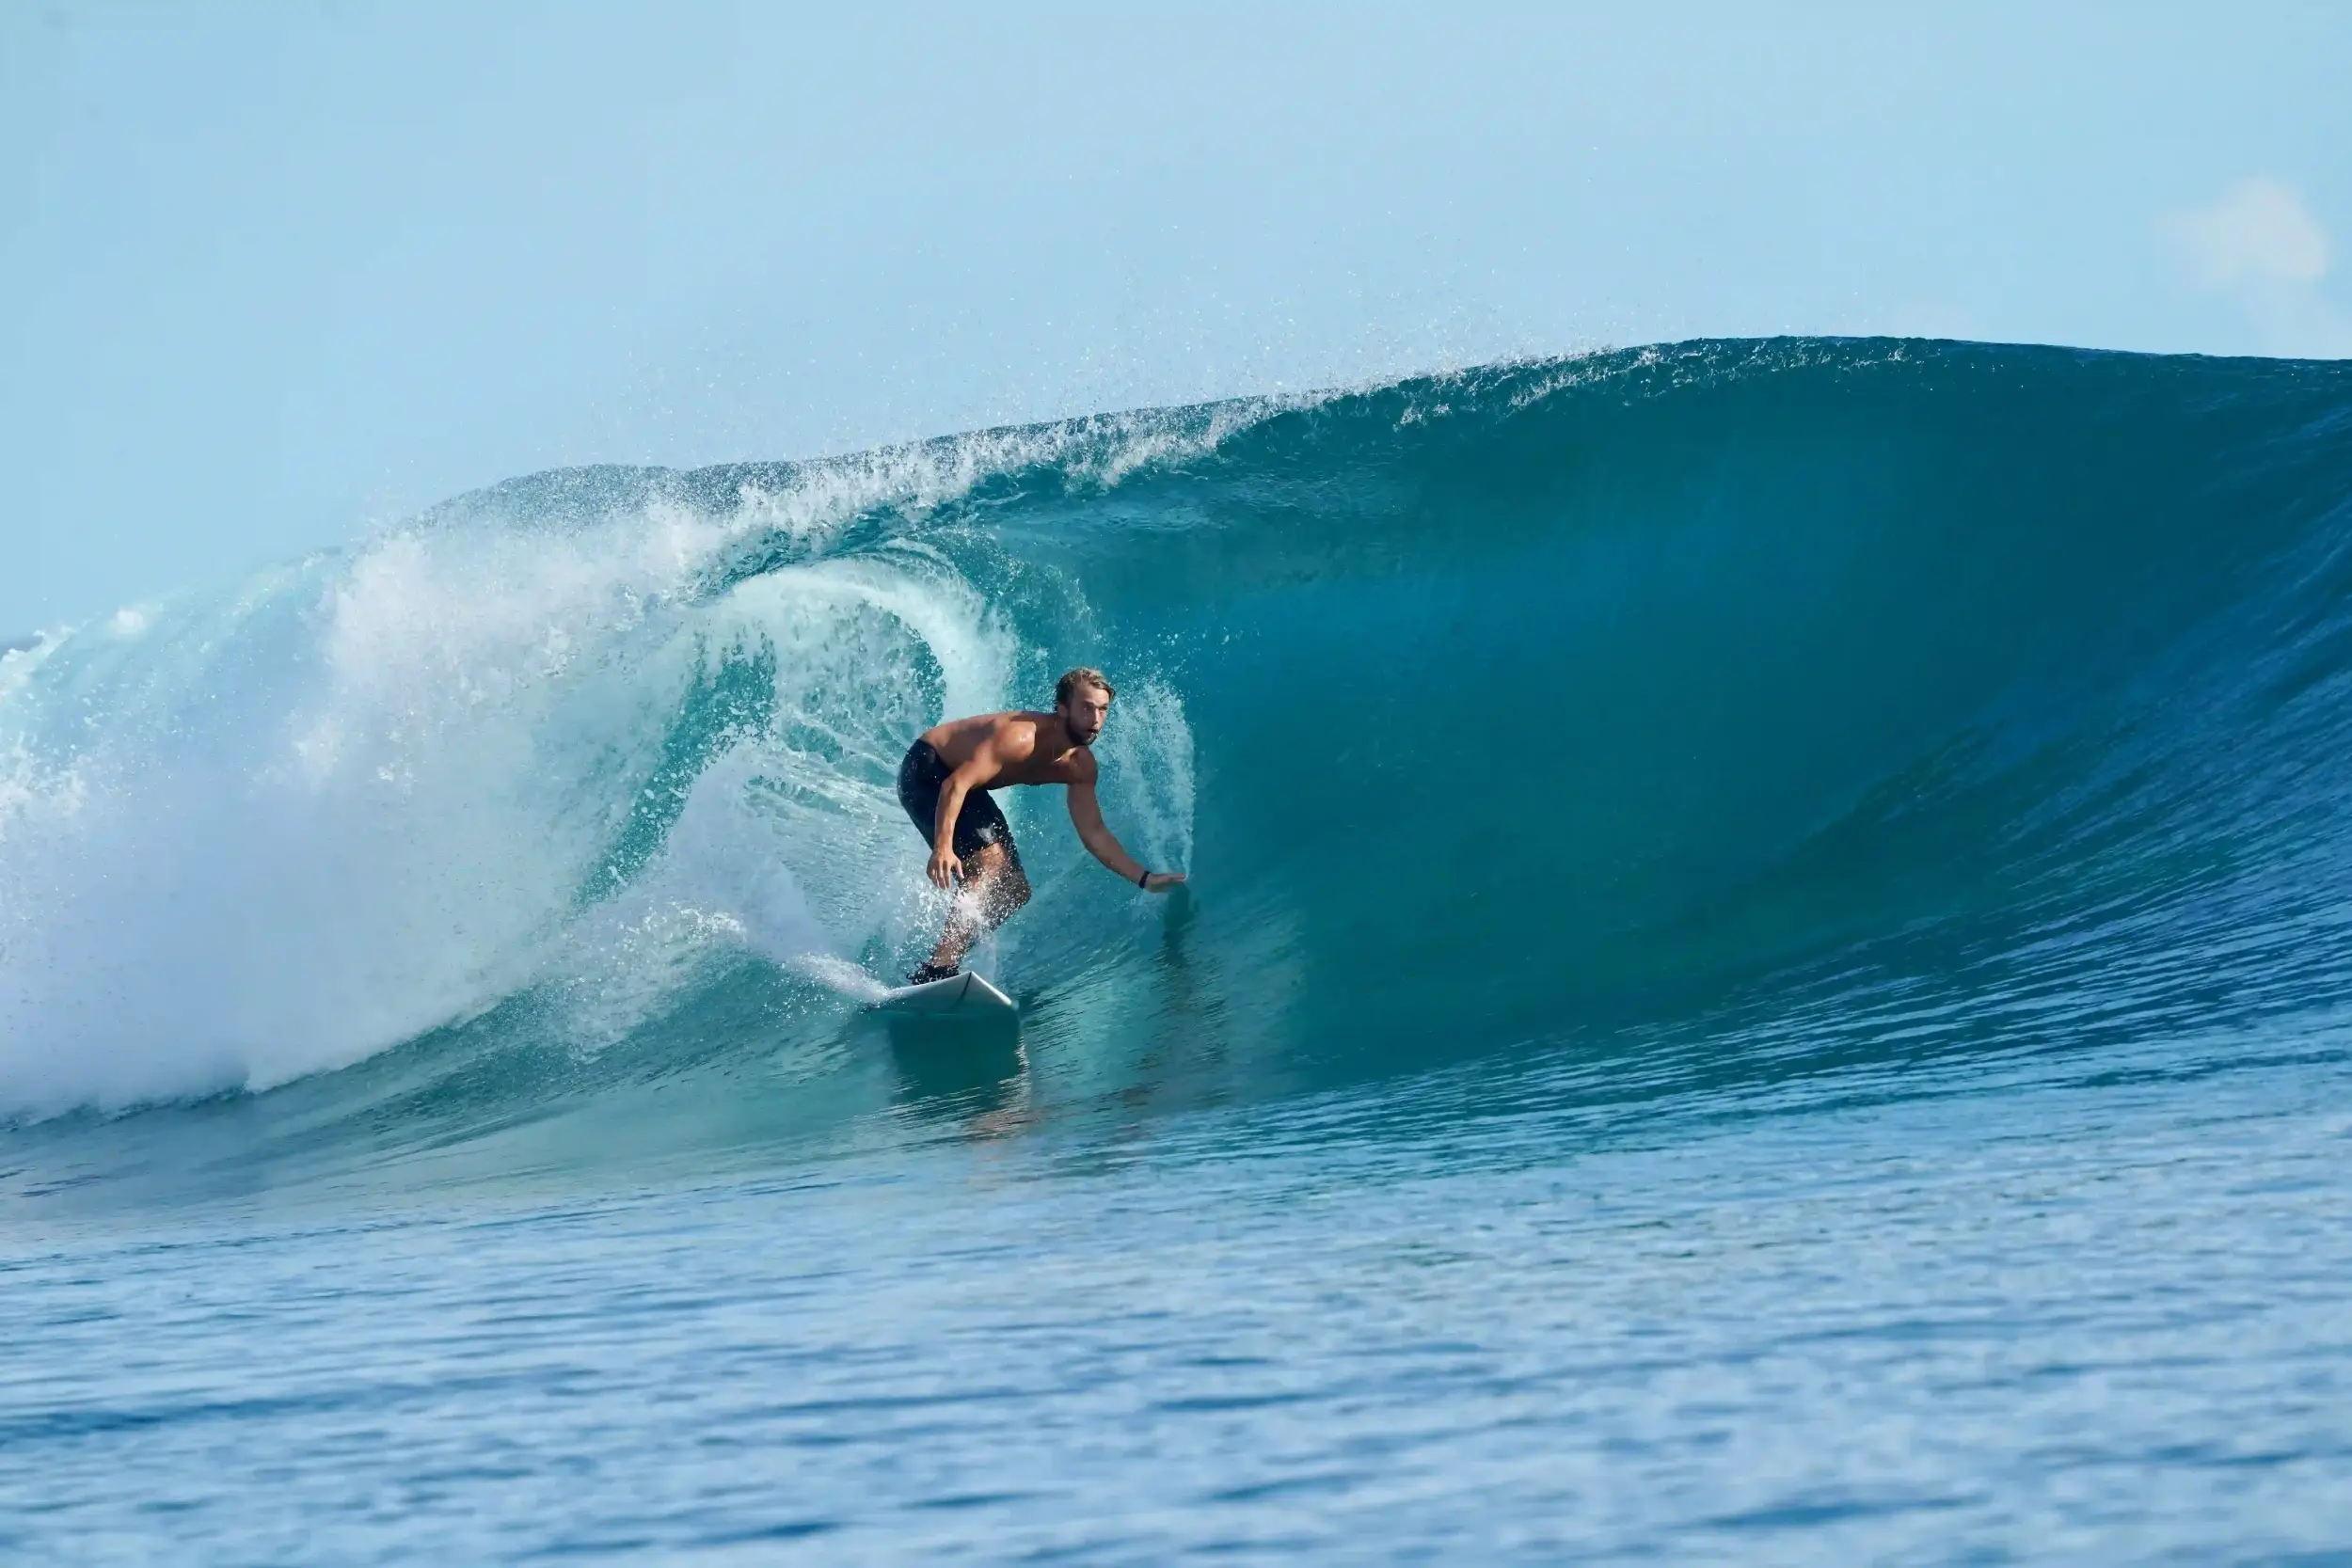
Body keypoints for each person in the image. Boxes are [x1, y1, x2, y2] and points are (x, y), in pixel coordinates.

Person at [895, 666, 1184, 983]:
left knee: (1015, 892)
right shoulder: (1020, 738)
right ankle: (938, 969)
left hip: (967, 787)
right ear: (1061, 709)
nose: (1096, 719)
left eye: (1103, 709)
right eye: (1086, 708)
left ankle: (944, 952)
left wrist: (1145, 879)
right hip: (928, 769)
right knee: (989, 865)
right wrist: (943, 847)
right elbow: (955, 785)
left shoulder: (1080, 766)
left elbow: (1094, 832)